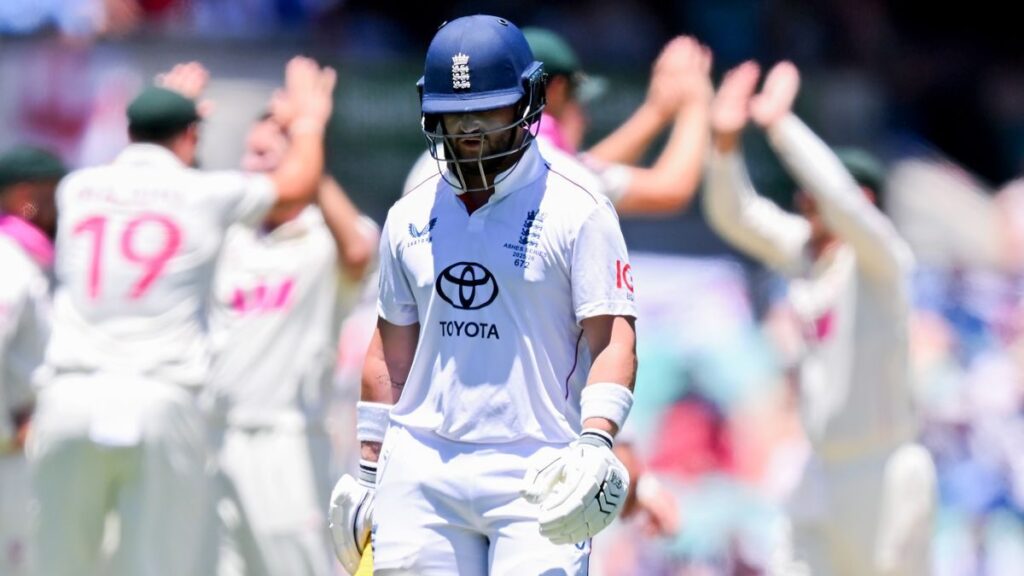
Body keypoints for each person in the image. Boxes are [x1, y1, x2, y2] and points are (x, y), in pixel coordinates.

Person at [329, 14, 638, 575]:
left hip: (538, 465)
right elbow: (389, 353)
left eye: (488, 110)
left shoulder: (580, 209)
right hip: (421, 465)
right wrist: (371, 472)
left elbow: (614, 338)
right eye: (454, 114)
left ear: (530, 101)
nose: (469, 130)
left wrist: (597, 441)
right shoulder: (408, 215)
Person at [27, 57, 336, 576]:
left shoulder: (75, 189)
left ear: (130, 132)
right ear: (191, 136)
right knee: (157, 566)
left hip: (68, 397)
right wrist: (309, 121)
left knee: (59, 567)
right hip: (161, 400)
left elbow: (138, 183)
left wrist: (164, 105)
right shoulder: (205, 193)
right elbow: (298, 185)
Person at [704, 60, 937, 576]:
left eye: (810, 197)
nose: (803, 205)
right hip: (820, 467)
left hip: (883, 472)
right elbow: (736, 216)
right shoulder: (808, 256)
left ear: (866, 199)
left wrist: (781, 126)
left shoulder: (882, 264)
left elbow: (844, 204)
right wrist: (724, 143)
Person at [209, 108, 378, 576]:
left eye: (268, 155)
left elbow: (360, 251)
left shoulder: (325, 238)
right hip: (213, 434)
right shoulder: (228, 236)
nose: (254, 166)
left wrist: (308, 147)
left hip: (287, 441)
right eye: (250, 152)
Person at [402, 27, 713, 216]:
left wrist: (656, 112)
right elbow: (671, 190)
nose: (585, 118)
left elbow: (583, 167)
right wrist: (696, 100)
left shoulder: (443, 154)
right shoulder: (542, 161)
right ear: (555, 90)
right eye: (577, 100)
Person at [0, 146, 65, 576]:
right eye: (54, 194)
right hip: (9, 453)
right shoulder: (8, 261)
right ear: (27, 196)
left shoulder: (25, 260)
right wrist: (6, 432)